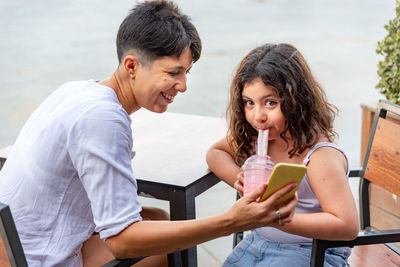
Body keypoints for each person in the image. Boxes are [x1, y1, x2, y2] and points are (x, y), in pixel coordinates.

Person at [0, 2, 298, 266]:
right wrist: (230, 221)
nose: (182, 85)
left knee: (159, 221)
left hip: (10, 241)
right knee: (165, 245)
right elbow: (122, 241)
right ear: (131, 65)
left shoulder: (76, 91)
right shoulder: (103, 119)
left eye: (186, 73)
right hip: (35, 258)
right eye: (172, 73)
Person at [206, 43, 360, 266]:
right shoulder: (260, 137)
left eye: (271, 103)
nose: (258, 115)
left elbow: (347, 226)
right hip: (258, 242)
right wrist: (239, 179)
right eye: (249, 103)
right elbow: (215, 153)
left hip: (312, 251)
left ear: (297, 101)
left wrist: (278, 219)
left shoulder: (319, 156)